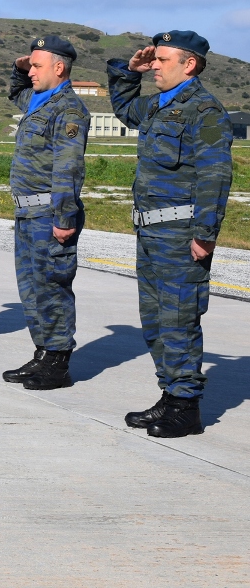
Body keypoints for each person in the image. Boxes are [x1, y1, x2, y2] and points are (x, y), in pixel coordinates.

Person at [108, 31, 233, 438]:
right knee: (156, 322)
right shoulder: (160, 106)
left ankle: (187, 408)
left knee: (179, 319)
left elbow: (216, 174)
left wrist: (206, 233)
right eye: (154, 59)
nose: (155, 65)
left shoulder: (204, 109)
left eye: (162, 59)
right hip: (151, 231)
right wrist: (130, 72)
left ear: (189, 63)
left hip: (181, 233)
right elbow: (126, 109)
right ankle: (170, 394)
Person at [1, 36, 90, 390]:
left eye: (38, 66)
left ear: (59, 68)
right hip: (27, 214)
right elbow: (15, 91)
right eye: (30, 66)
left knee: (52, 288)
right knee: (32, 289)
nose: (31, 72)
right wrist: (20, 68)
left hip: (49, 214)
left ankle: (57, 363)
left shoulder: (68, 109)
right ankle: (42, 353)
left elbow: (68, 168)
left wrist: (65, 218)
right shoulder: (38, 101)